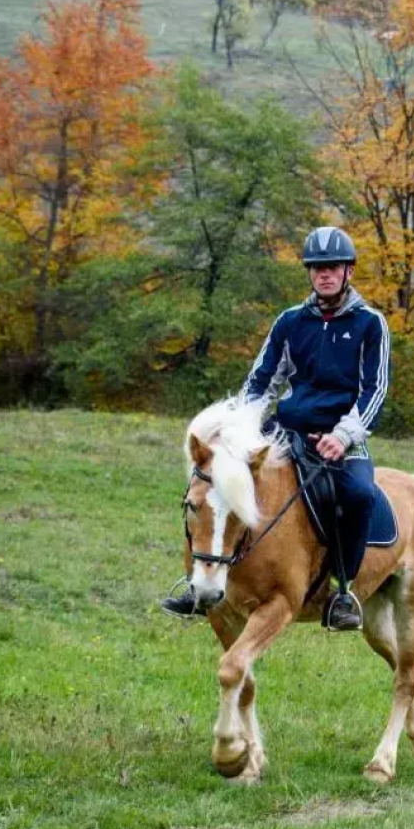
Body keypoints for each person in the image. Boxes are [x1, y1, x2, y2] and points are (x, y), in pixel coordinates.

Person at [162, 226, 389, 631]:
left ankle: (344, 591)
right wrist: (239, 431)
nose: (325, 275)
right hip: (286, 432)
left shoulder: (371, 324)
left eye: (333, 267)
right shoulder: (290, 322)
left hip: (342, 438)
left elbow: (375, 389)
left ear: (348, 271)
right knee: (214, 486)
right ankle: (197, 582)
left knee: (357, 494)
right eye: (317, 268)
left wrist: (344, 435)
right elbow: (260, 382)